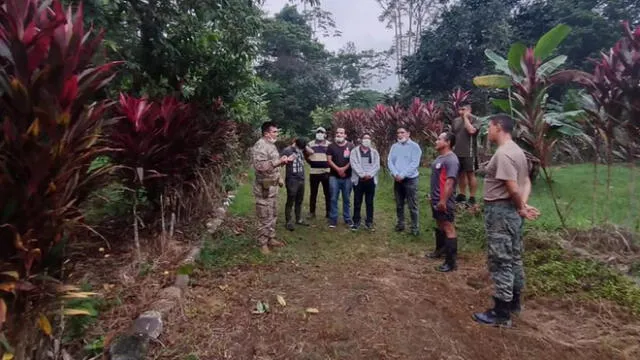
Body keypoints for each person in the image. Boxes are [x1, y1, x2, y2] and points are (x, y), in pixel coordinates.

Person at [472, 114, 540, 327]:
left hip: (501, 213)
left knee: (501, 261)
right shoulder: (518, 152)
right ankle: (514, 305)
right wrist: (522, 206)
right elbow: (526, 181)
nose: (487, 131)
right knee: (514, 258)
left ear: (498, 127)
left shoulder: (503, 154)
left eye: (490, 127)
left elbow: (512, 186)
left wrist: (520, 206)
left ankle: (501, 314)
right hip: (511, 211)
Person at [251, 121, 293, 255]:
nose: (277, 133)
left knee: (273, 213)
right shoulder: (260, 146)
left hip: (273, 187)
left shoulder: (271, 145)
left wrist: (280, 174)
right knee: (264, 215)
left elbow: (274, 165)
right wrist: (280, 161)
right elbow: (260, 167)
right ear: (266, 133)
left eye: (276, 131)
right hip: (264, 187)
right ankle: (262, 243)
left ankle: (271, 237)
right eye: (274, 131)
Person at [426, 132, 460, 272]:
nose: (436, 141)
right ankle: (439, 251)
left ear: (448, 142)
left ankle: (451, 262)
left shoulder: (451, 160)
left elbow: (450, 182)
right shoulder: (441, 158)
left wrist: (443, 200)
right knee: (440, 224)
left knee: (448, 227)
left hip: (444, 201)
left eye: (439, 139)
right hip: (436, 198)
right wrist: (433, 196)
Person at [388, 127, 422, 236]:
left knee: (413, 205)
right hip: (397, 179)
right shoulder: (394, 147)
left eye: (402, 132)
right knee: (399, 204)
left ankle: (414, 228)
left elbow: (414, 163)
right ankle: (400, 224)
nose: (400, 135)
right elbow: (390, 161)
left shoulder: (415, 147)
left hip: (410, 180)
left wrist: (402, 175)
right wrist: (395, 174)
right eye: (398, 133)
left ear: (408, 134)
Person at [452, 103, 482, 206]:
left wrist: (465, 118)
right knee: (460, 174)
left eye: (463, 109)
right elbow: (453, 135)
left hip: (469, 152)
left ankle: (472, 197)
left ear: (469, 110)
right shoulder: (455, 121)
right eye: (460, 110)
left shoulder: (476, 119)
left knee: (470, 174)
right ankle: (462, 194)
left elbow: (471, 130)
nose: (461, 112)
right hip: (457, 152)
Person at [349, 133, 381, 231]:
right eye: (364, 138)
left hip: (370, 180)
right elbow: (353, 164)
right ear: (361, 140)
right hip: (359, 179)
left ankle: (369, 222)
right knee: (357, 201)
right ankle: (356, 222)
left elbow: (377, 165)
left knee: (369, 202)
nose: (366, 140)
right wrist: (362, 174)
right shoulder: (354, 151)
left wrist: (369, 175)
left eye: (368, 138)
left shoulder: (374, 152)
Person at [326, 127, 354, 228]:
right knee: (333, 198)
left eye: (341, 133)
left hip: (347, 177)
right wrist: (338, 169)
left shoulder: (351, 146)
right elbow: (329, 160)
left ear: (345, 135)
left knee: (346, 198)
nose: (339, 134)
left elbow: (352, 160)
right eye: (337, 133)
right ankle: (333, 219)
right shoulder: (330, 146)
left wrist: (344, 169)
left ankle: (347, 219)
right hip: (334, 176)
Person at [282, 137, 310, 231]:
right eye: (299, 148)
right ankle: (288, 221)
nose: (300, 150)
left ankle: (299, 219)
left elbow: (311, 152)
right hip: (292, 179)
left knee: (299, 200)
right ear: (295, 143)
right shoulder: (287, 150)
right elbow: (280, 163)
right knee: (291, 199)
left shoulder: (302, 148)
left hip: (301, 178)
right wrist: (287, 160)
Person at [305, 127, 331, 219]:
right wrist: (312, 163)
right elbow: (306, 155)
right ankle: (312, 212)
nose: (320, 133)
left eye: (322, 132)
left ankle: (329, 212)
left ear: (325, 134)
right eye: (318, 132)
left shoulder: (329, 145)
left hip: (326, 172)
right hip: (314, 172)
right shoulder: (310, 144)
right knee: (313, 193)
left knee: (328, 193)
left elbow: (332, 157)